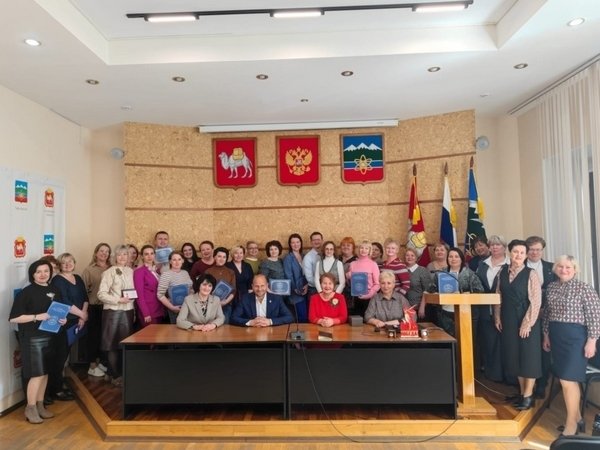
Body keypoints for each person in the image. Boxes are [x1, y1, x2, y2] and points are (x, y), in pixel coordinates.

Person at [543, 255, 600, 436]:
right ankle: (578, 419)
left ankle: (571, 426)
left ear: (575, 270)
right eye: (560, 266)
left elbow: (594, 316)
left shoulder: (584, 288)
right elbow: (547, 314)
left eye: (568, 267)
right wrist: (546, 335)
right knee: (566, 379)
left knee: (568, 380)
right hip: (556, 336)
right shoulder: (551, 287)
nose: (564, 270)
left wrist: (592, 341)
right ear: (555, 268)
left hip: (576, 339)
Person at [9, 260, 66, 424]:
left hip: (51, 336)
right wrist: (37, 317)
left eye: (46, 271)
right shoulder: (26, 292)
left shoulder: (54, 289)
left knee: (45, 372)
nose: (43, 274)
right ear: (32, 274)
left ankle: (40, 406)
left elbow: (58, 311)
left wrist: (62, 320)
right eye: (38, 272)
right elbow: (14, 318)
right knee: (37, 374)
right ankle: (30, 408)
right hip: (32, 338)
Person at [494, 239, 542, 411]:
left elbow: (536, 301)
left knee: (529, 358)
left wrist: (527, 324)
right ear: (510, 253)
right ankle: (522, 393)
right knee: (514, 357)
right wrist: (497, 317)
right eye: (515, 252)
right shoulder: (502, 272)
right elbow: (498, 296)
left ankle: (529, 396)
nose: (518, 255)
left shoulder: (531, 274)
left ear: (526, 255)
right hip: (508, 319)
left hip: (526, 319)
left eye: (522, 252)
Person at [48, 253, 89, 402]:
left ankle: (58, 384)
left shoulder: (77, 278)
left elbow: (85, 297)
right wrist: (82, 314)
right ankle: (55, 389)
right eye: (64, 262)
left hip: (78, 320)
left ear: (74, 263)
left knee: (65, 356)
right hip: (64, 322)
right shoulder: (57, 280)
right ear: (60, 265)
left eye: (70, 261)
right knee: (60, 356)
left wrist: (83, 316)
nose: (67, 264)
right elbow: (64, 301)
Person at [97, 245, 136, 387]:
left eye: (125, 254)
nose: (122, 257)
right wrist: (118, 300)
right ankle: (114, 375)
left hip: (128, 311)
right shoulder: (109, 272)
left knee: (123, 344)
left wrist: (133, 309)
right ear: (114, 257)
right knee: (112, 344)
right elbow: (101, 294)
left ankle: (117, 373)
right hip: (113, 311)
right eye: (119, 255)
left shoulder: (130, 271)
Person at [525, 235, 558, 399]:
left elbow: (556, 291)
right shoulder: (520, 267)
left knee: (545, 350)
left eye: (538, 249)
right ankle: (528, 386)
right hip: (526, 316)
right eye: (531, 249)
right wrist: (532, 311)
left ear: (542, 250)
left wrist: (544, 309)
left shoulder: (552, 268)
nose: (535, 253)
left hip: (546, 316)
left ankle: (542, 384)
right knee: (529, 351)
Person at [475, 235, 509, 383]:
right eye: (492, 245)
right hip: (484, 309)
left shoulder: (510, 264)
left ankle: (507, 375)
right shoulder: (482, 264)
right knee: (488, 341)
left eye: (498, 245)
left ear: (504, 247)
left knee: (505, 342)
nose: (495, 247)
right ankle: (492, 374)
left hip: (505, 308)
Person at [428, 247, 484, 336]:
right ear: (447, 259)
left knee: (465, 339)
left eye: (456, 257)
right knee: (448, 340)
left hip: (465, 313)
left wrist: (464, 294)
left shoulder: (469, 274)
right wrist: (436, 293)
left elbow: (479, 290)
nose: (453, 259)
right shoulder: (441, 273)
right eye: (450, 257)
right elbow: (431, 289)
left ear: (461, 259)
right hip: (445, 313)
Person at [81, 242, 111, 378]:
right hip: (94, 307)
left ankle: (100, 362)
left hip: (109, 307)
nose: (104, 253)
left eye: (107, 251)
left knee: (104, 337)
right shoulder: (89, 270)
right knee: (93, 337)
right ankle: (92, 365)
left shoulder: (113, 268)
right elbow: (83, 292)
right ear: (96, 253)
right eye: (101, 251)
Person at [157, 251, 193, 324]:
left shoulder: (185, 273)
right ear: (170, 261)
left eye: (179, 259)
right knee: (177, 330)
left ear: (183, 261)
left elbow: (191, 289)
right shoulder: (166, 274)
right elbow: (160, 295)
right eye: (174, 260)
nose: (177, 262)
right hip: (176, 309)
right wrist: (172, 308)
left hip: (188, 307)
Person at [346, 240, 380, 316]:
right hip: (355, 297)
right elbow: (349, 283)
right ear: (358, 249)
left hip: (369, 298)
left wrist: (369, 294)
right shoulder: (353, 264)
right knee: (356, 320)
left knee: (368, 319)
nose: (363, 250)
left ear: (369, 250)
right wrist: (348, 276)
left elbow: (377, 284)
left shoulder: (373, 264)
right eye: (361, 248)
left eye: (366, 248)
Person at [133, 245, 164, 328]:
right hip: (149, 310)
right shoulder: (139, 272)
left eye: (151, 253)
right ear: (142, 256)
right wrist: (145, 313)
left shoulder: (157, 270)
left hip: (159, 308)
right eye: (146, 254)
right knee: (151, 335)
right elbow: (139, 295)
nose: (149, 256)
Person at [205, 247, 236, 323]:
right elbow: (204, 289)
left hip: (226, 305)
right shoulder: (208, 271)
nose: (221, 259)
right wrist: (213, 302)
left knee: (225, 327)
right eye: (219, 256)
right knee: (210, 326)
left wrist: (225, 302)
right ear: (214, 257)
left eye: (224, 257)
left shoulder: (231, 272)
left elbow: (233, 291)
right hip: (210, 305)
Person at [283, 233, 308, 323]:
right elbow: (288, 276)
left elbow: (308, 273)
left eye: (297, 242)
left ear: (301, 243)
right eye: (293, 242)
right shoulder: (288, 258)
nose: (295, 244)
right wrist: (296, 289)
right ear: (290, 244)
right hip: (295, 293)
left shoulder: (304, 256)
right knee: (302, 317)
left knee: (307, 316)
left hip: (306, 291)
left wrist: (307, 285)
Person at [302, 231, 323, 298]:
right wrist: (322, 285)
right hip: (314, 290)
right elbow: (309, 278)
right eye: (314, 240)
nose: (316, 242)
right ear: (311, 242)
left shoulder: (327, 253)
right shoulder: (307, 257)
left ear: (322, 241)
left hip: (327, 288)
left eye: (318, 239)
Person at [339, 236, 357, 310]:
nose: (345, 247)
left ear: (353, 248)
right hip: (338, 290)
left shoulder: (357, 261)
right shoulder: (337, 259)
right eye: (343, 245)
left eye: (348, 245)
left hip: (351, 293)